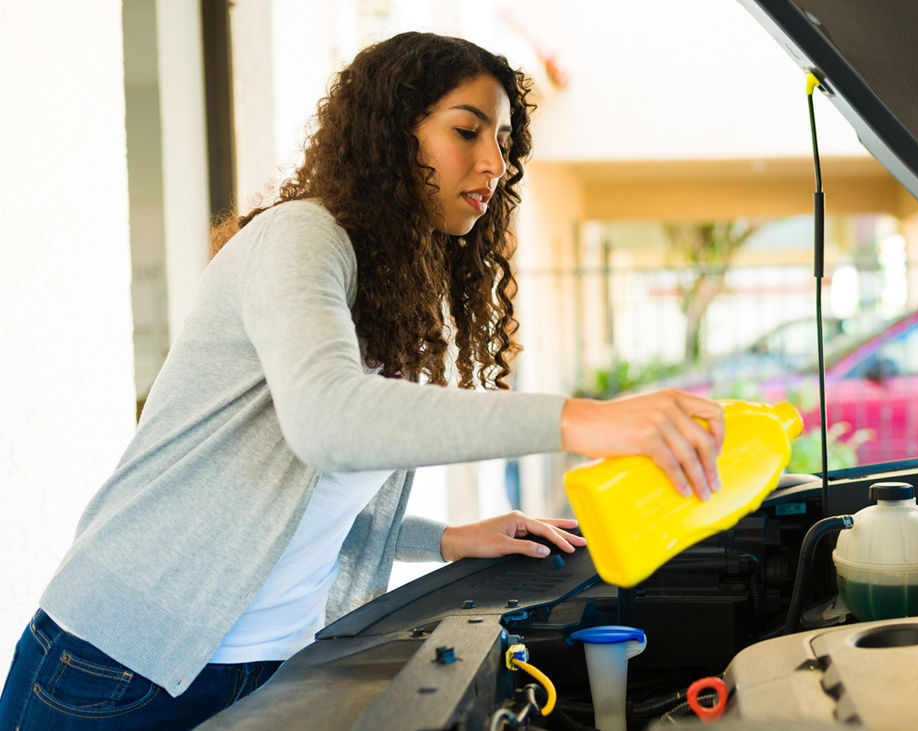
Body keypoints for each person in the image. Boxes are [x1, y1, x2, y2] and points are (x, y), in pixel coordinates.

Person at [0, 32, 723, 729]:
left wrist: (445, 538)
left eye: (503, 142)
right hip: (116, 670)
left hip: (268, 666)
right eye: (467, 130)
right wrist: (579, 420)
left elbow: (293, 503)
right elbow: (329, 421)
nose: (493, 162)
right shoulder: (299, 237)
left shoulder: (390, 287)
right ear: (390, 133)